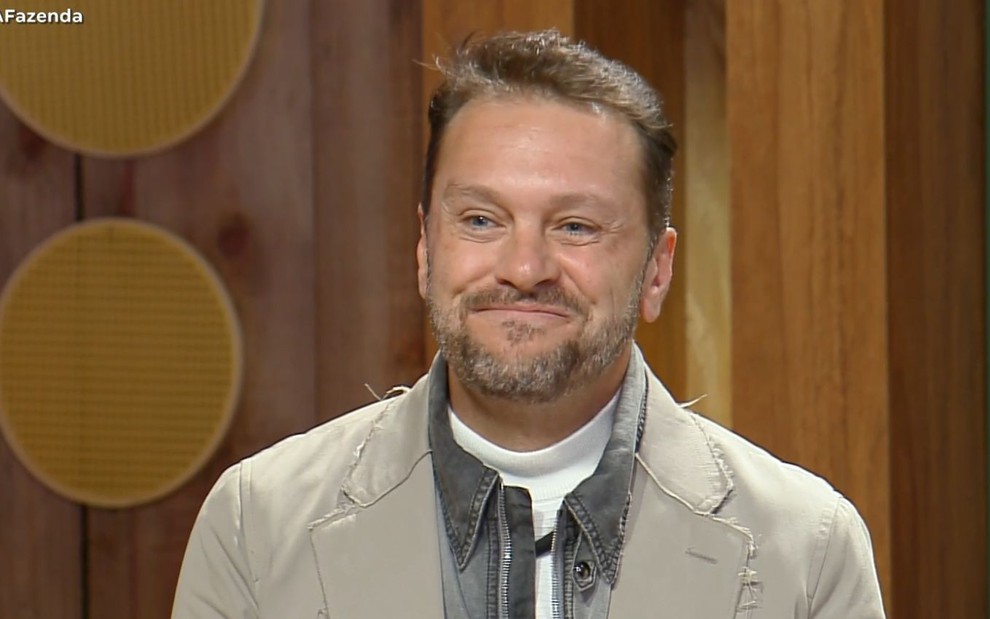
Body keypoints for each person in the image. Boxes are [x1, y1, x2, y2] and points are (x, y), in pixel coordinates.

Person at [171, 30, 885, 619]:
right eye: (481, 219)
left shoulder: (808, 552)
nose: (523, 265)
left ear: (657, 270)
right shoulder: (254, 530)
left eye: (575, 226)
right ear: (426, 248)